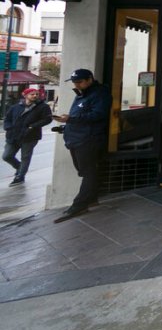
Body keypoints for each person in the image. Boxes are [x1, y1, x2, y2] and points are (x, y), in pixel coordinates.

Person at [52, 68, 112, 223]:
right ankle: (91, 198)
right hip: (76, 139)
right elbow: (80, 116)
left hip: (88, 140)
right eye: (74, 82)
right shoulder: (82, 94)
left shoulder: (100, 94)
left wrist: (70, 120)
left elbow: (98, 115)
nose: (76, 85)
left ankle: (79, 204)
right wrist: (65, 126)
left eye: (79, 82)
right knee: (84, 171)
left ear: (90, 80)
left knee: (88, 172)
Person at [3, 88, 53, 186]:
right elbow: (7, 119)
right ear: (25, 95)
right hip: (13, 136)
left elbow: (47, 119)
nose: (35, 96)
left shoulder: (43, 107)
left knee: (25, 157)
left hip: (30, 136)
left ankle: (20, 177)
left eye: (37, 94)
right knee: (7, 156)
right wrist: (8, 127)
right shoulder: (16, 107)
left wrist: (32, 126)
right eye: (32, 94)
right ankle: (19, 167)